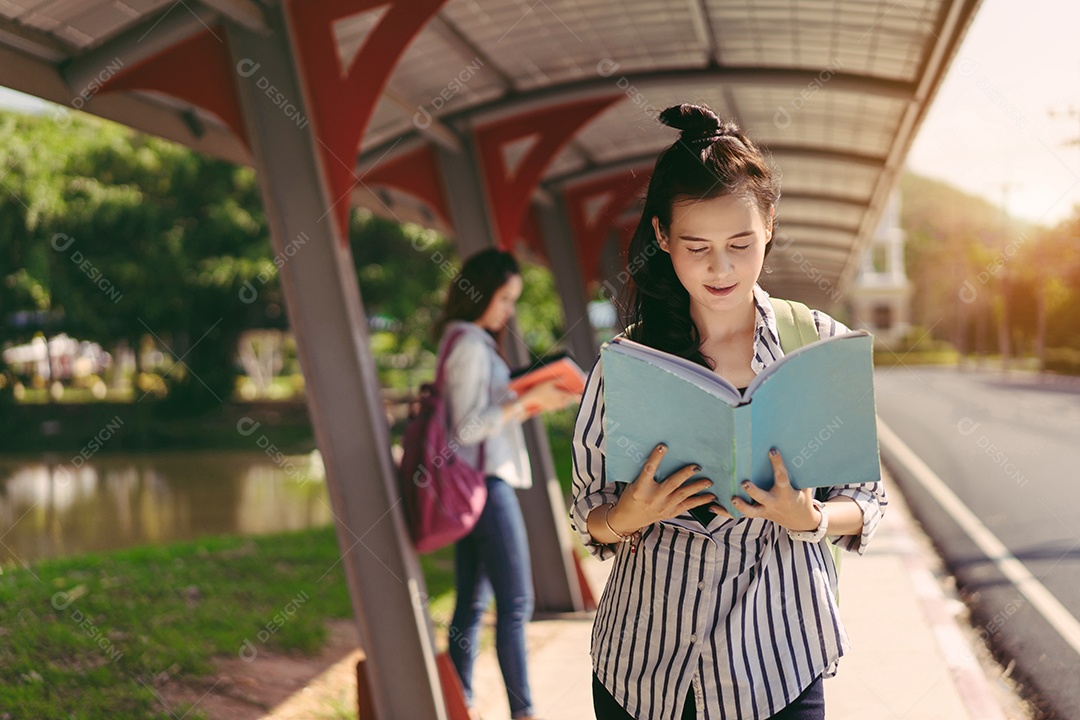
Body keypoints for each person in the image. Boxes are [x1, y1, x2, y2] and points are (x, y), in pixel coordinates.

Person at [570, 103, 888, 720]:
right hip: (642, 670)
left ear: (769, 225)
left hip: (775, 666)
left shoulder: (818, 343)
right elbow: (588, 512)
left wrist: (810, 515)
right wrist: (626, 515)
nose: (721, 267)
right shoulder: (627, 363)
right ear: (662, 238)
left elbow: (867, 499)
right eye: (697, 247)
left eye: (741, 244)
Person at [436, 248, 579, 720]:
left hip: (483, 481)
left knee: (473, 604)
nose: (508, 311)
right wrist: (525, 402)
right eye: (503, 298)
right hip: (485, 484)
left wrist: (531, 399)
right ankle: (524, 712)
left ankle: (462, 704)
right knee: (516, 602)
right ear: (477, 293)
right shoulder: (468, 345)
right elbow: (465, 430)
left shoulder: (470, 341)